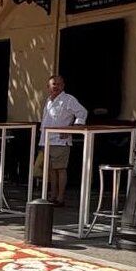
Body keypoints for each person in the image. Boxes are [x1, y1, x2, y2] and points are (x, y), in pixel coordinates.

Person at [35, 75, 88, 206]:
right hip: (47, 139)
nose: (56, 87)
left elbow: (82, 112)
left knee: (60, 169)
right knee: (51, 170)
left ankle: (60, 197)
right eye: (53, 84)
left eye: (59, 84)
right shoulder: (48, 101)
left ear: (63, 86)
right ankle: (52, 195)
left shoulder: (68, 99)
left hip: (60, 140)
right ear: (48, 87)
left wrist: (72, 129)